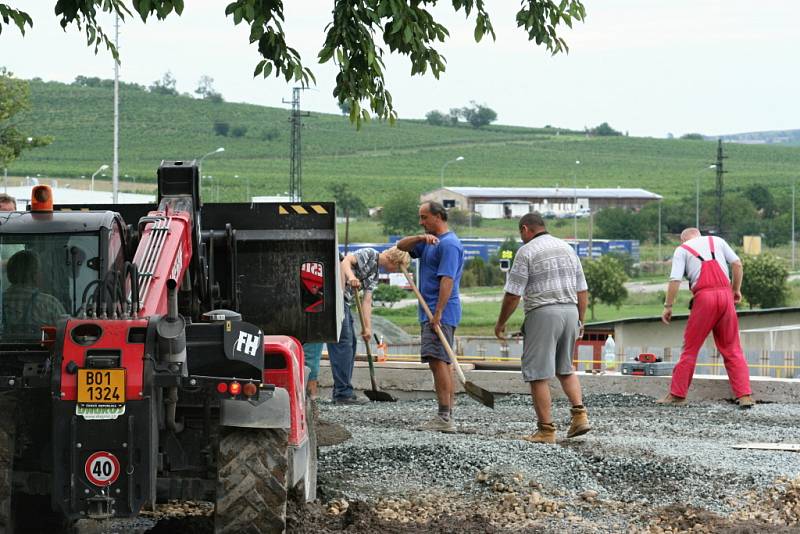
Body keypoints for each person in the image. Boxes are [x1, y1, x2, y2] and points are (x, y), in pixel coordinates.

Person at [494, 212, 590, 444]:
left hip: (543, 313)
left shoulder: (526, 251)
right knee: (565, 368)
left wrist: (501, 323)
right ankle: (580, 416)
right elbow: (582, 289)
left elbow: (513, 293)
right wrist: (581, 320)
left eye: (521, 233)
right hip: (570, 311)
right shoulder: (567, 248)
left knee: (538, 374)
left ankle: (546, 430)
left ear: (525, 229)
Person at [659, 227, 754, 408]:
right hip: (726, 297)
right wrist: (736, 290)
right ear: (699, 235)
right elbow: (737, 264)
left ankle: (678, 395)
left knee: (690, 348)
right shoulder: (717, 241)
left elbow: (675, 280)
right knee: (732, 348)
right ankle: (744, 395)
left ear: (683, 240)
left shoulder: (682, 250)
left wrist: (668, 306)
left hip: (704, 299)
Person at [397, 201, 464, 433]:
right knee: (440, 362)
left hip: (440, 312)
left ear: (438, 216)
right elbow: (400, 245)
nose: (421, 222)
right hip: (431, 311)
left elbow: (447, 280)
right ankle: (445, 415)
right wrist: (419, 238)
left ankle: (444, 417)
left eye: (424, 217)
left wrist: (438, 314)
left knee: (439, 362)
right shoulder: (429, 242)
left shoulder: (450, 245)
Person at [327, 246, 411, 405]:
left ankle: (341, 390)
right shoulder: (369, 254)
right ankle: (342, 394)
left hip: (344, 301)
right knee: (343, 344)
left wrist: (367, 328)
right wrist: (351, 277)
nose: (394, 271)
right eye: (397, 268)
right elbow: (345, 261)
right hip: (335, 297)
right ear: (394, 260)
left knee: (350, 344)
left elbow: (367, 301)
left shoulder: (375, 274)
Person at [2, 249, 66, 334]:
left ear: (9, 274)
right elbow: (65, 335)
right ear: (34, 275)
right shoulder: (50, 303)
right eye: (40, 270)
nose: (42, 274)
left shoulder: (1, 301)